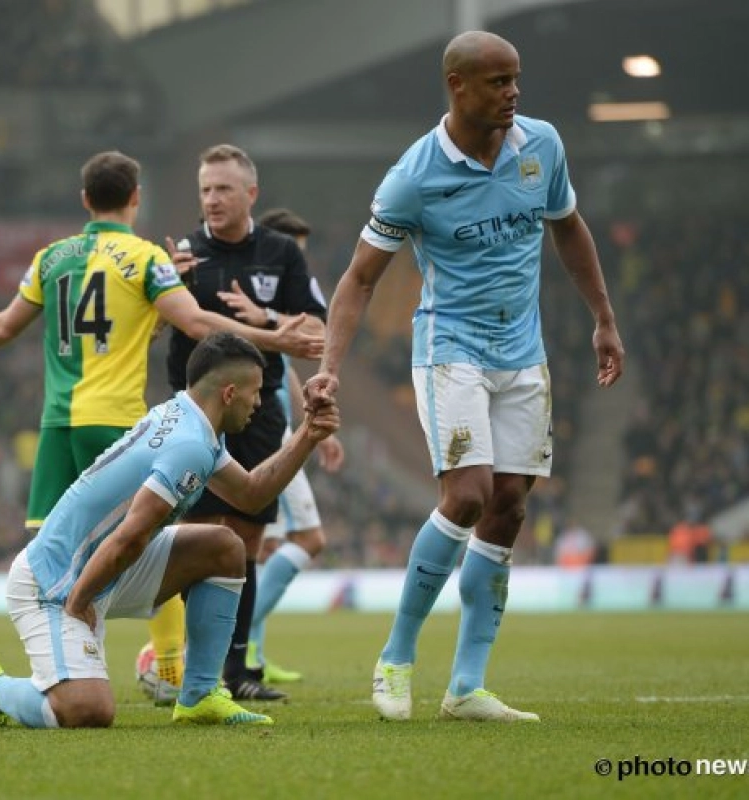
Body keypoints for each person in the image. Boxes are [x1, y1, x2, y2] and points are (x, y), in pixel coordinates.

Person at [305, 31, 625, 723]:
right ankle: (395, 655)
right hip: (450, 348)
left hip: (523, 351)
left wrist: (602, 315)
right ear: (458, 86)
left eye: (516, 80)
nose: (514, 93)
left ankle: (467, 686)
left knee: (509, 503)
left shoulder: (541, 146)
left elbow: (569, 228)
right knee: (469, 494)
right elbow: (360, 280)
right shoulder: (415, 176)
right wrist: (329, 369)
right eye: (498, 82)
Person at [0, 151, 322, 701]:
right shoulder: (144, 258)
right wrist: (276, 339)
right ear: (135, 198)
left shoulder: (50, 257)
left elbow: (2, 327)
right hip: (113, 417)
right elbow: (196, 322)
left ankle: (58, 660)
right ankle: (167, 668)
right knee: (142, 531)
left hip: (56, 423)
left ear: (85, 199)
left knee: (56, 548)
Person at [0, 332, 340, 729]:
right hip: (53, 584)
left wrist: (307, 435)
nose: (259, 402)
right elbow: (130, 537)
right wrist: (79, 603)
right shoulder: (189, 445)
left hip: (105, 569)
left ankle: (199, 696)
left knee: (225, 547)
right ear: (230, 393)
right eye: (255, 392)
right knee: (87, 712)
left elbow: (250, 495)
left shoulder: (193, 426)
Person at [164, 145, 328, 702]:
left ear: (250, 194)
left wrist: (271, 320)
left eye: (223, 189)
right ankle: (194, 669)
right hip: (196, 413)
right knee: (202, 540)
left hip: (258, 411)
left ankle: (235, 673)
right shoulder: (182, 254)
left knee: (247, 542)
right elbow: (164, 330)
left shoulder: (280, 252)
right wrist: (172, 286)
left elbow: (320, 331)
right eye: (206, 189)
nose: (211, 199)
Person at [215, 208, 345, 684]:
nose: (298, 265)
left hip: (281, 432)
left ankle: (250, 653)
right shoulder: (250, 295)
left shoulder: (279, 297)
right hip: (263, 435)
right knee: (304, 539)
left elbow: (285, 369)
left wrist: (312, 427)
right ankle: (239, 644)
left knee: (261, 549)